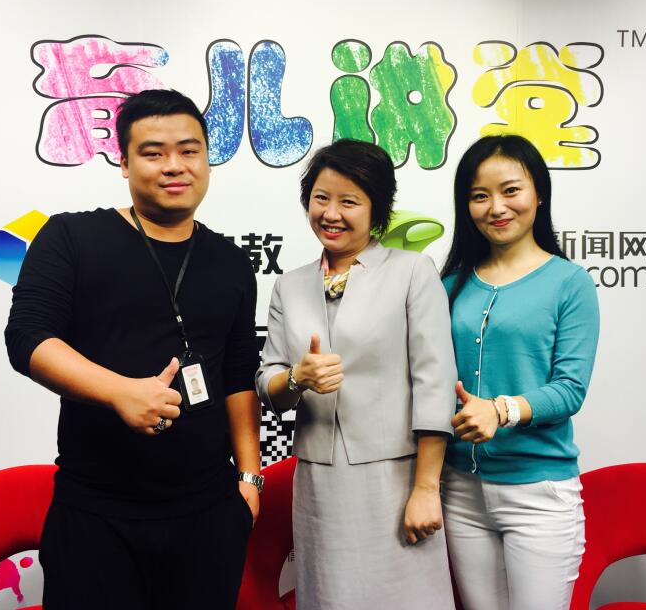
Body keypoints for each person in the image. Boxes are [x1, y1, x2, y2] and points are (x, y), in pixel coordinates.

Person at [5, 89, 262, 609]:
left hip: (210, 513)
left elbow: (238, 374)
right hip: (97, 514)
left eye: (189, 150)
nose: (174, 165)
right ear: (123, 163)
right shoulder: (71, 236)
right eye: (153, 152)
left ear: (207, 159)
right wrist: (120, 392)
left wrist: (250, 480)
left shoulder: (231, 261)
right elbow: (28, 337)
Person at [256, 139, 457, 610]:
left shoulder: (412, 272)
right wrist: (298, 378)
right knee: (330, 597)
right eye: (321, 198)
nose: (331, 213)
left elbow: (433, 383)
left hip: (397, 477)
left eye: (349, 201)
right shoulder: (290, 285)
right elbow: (268, 384)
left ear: (376, 208)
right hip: (320, 484)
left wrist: (426, 489)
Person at [440, 135, 600, 610]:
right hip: (460, 491)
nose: (496, 207)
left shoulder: (569, 282)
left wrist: (501, 410)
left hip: (538, 495)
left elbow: (570, 389)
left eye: (511, 190)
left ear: (539, 193)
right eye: (479, 195)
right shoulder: (449, 284)